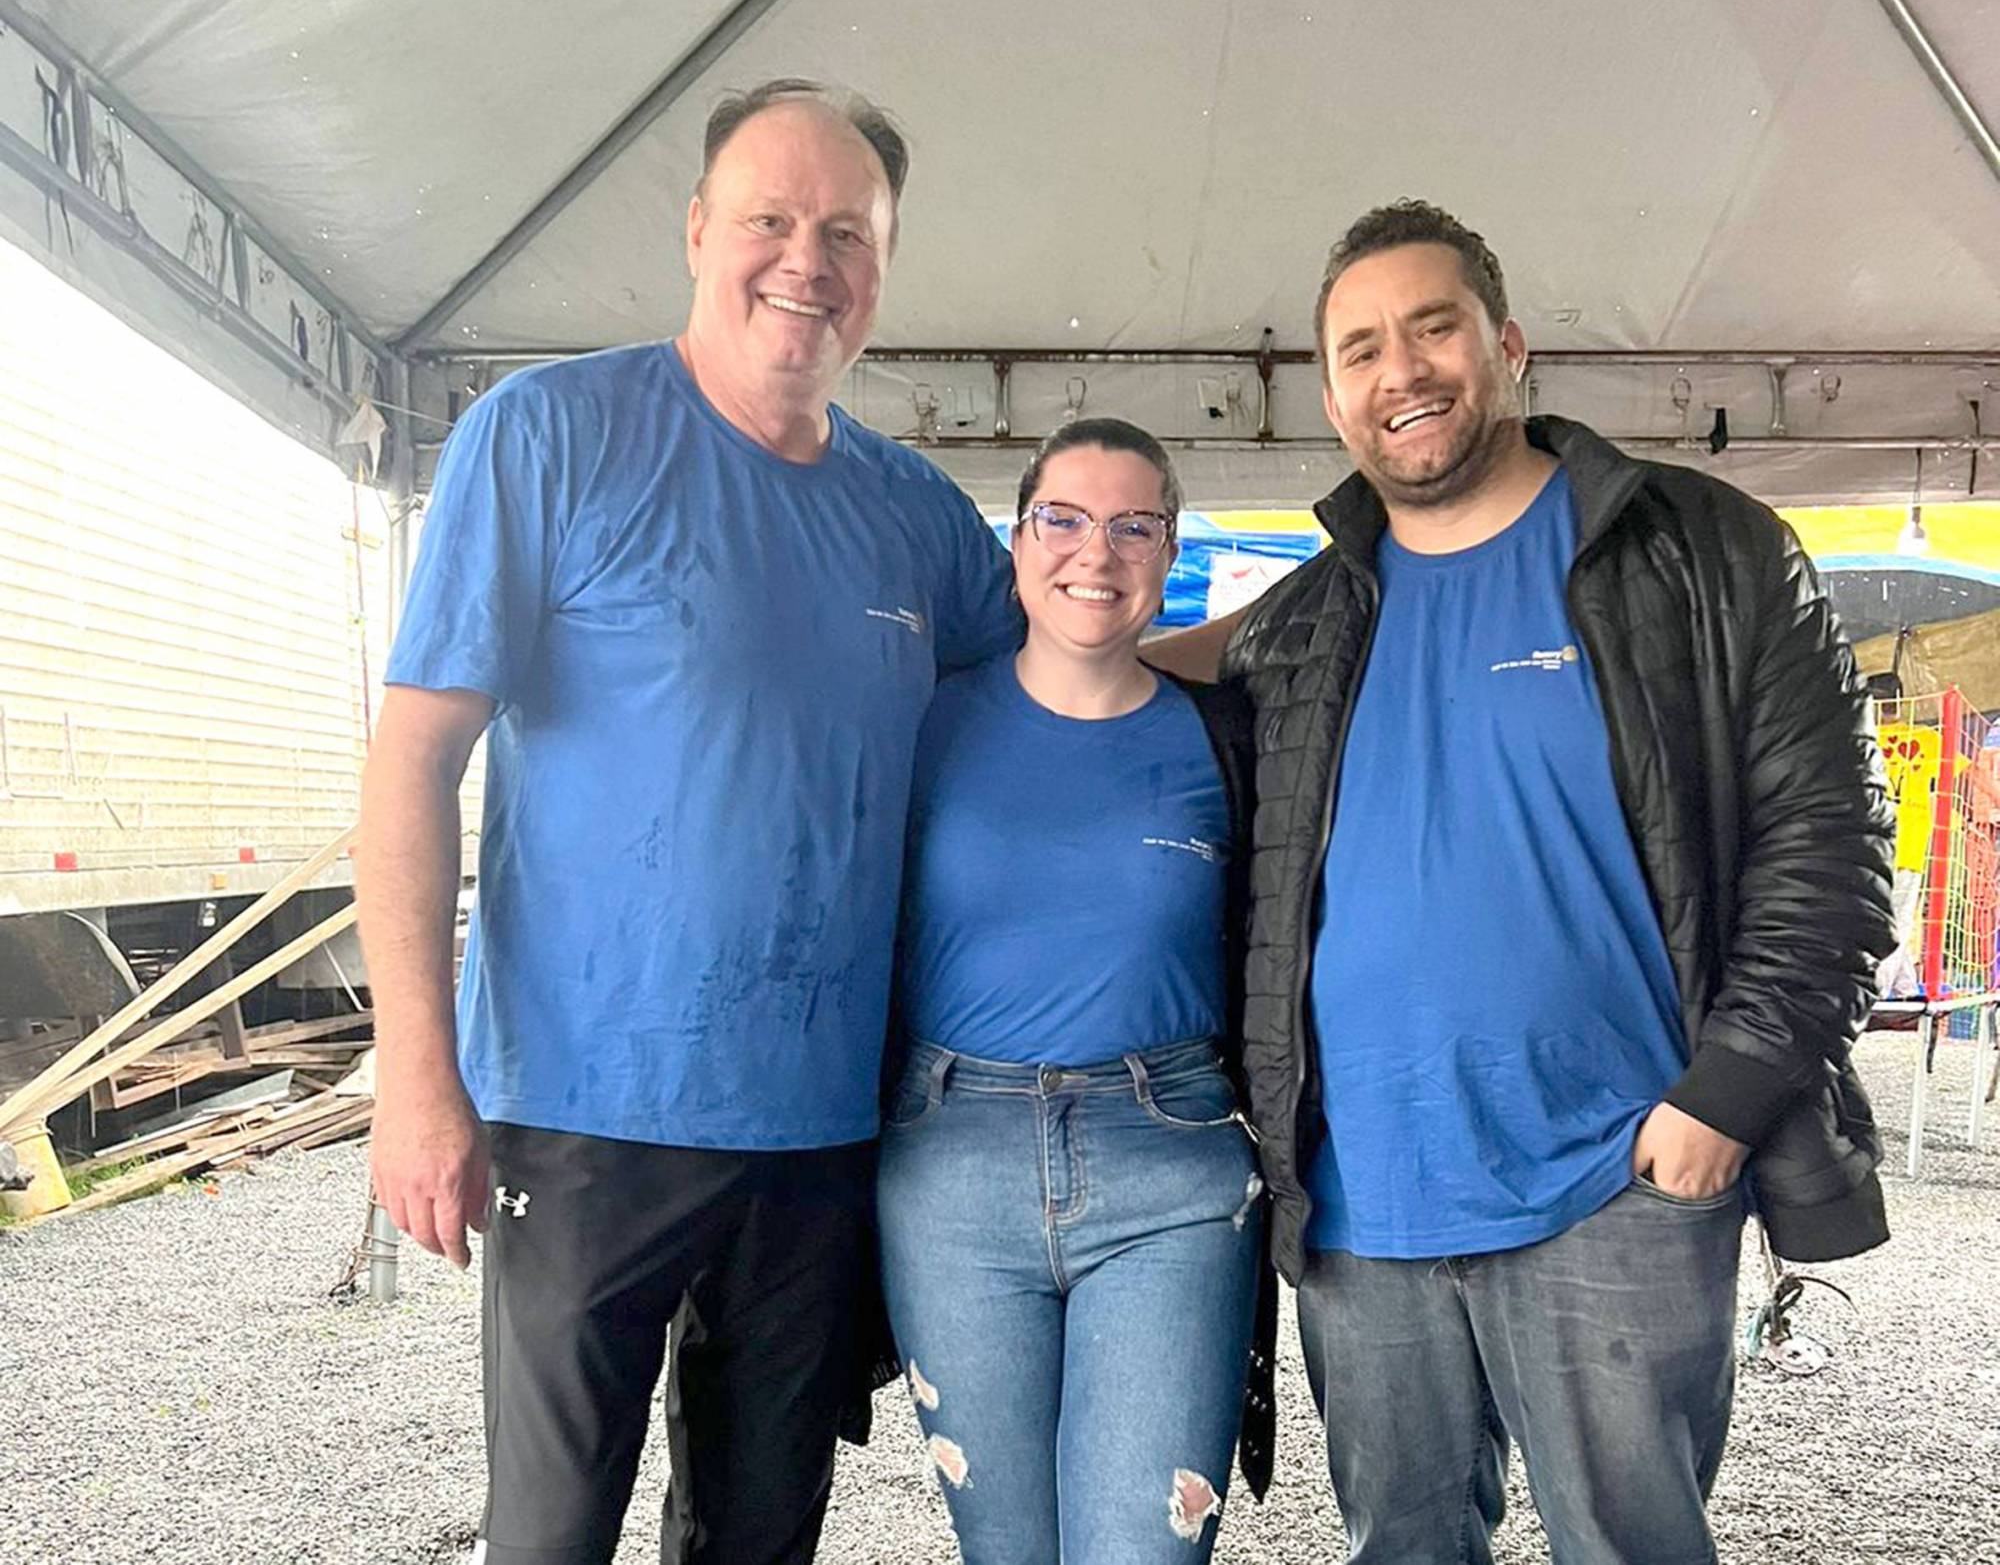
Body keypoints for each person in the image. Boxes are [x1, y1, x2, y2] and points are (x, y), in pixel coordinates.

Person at [355, 80, 1022, 1565]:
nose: (808, 257)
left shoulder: (914, 514)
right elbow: (411, 762)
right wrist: (416, 1073)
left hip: (822, 1122)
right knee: (550, 1532)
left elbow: (1065, 684)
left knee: (759, 1530)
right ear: (699, 231)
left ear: (885, 265)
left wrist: (1300, 629)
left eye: (847, 230)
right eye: (772, 218)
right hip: (587, 1114)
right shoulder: (550, 434)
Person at [1216, 200, 1897, 1564]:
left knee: (1631, 1542)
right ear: (1333, 396)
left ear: (1507, 343)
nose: (1399, 371)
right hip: (1366, 1201)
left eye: (1432, 328)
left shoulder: (1706, 554)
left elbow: (1832, 843)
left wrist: (1729, 1093)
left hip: (1619, 1175)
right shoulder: (1307, 624)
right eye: (1360, 350)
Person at [877, 417, 1269, 1564]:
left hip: (1170, 1166)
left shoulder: (1226, 739)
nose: (1094, 554)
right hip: (950, 1164)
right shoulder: (921, 719)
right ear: (1015, 538)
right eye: (1064, 519)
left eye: (1132, 526)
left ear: (1166, 548)